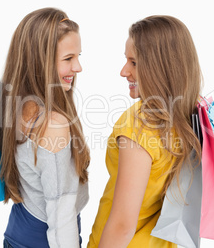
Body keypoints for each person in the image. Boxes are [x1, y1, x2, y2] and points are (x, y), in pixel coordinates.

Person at [87, 15, 202, 247]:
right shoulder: (192, 115)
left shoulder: (139, 126)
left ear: (161, 67)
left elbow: (122, 224)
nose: (123, 71)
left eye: (134, 63)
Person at [0, 8, 90, 248]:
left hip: (16, 233)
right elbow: (61, 214)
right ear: (42, 62)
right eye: (68, 58)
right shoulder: (53, 124)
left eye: (78, 56)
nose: (78, 67)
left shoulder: (13, 106)